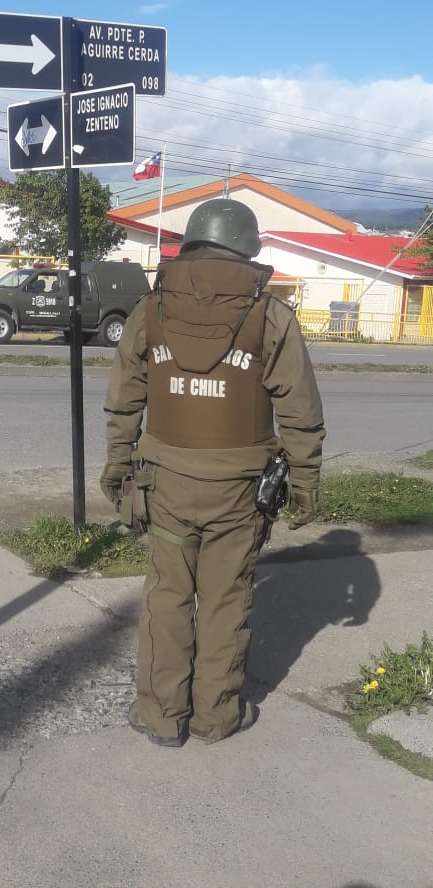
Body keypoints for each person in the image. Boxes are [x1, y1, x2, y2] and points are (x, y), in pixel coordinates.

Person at [101, 197, 325, 747]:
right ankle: (216, 716)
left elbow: (124, 398)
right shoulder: (270, 315)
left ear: (192, 243)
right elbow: (300, 410)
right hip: (240, 491)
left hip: (165, 482)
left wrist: (116, 465)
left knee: (166, 597)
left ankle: (160, 715)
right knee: (226, 601)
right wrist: (305, 483)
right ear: (247, 248)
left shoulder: (149, 310)